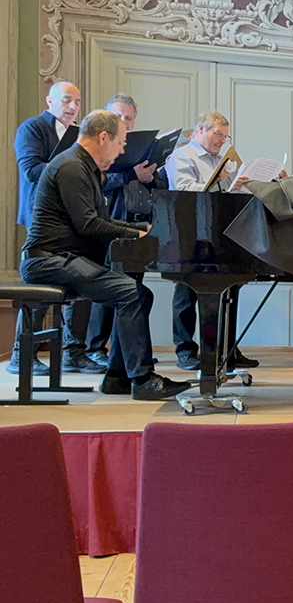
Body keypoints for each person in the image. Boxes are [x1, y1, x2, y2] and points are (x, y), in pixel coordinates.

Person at [18, 110, 190, 400]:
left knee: (139, 294)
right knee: (132, 293)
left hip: (64, 258)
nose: (122, 150)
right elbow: (88, 224)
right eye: (120, 143)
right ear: (103, 137)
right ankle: (143, 380)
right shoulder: (72, 167)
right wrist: (137, 233)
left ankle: (117, 377)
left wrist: (141, 228)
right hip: (48, 260)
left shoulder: (82, 166)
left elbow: (100, 221)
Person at [164, 111, 258, 371]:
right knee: (187, 292)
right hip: (189, 234)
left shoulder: (221, 161)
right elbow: (183, 191)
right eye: (218, 134)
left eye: (225, 137)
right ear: (200, 129)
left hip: (220, 233)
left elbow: (222, 196)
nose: (222, 141)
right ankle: (185, 350)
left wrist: (237, 185)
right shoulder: (182, 156)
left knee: (228, 290)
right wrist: (217, 180)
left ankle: (225, 349)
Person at [10, 81, 88, 377]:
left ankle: (73, 352)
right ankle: (22, 354)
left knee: (83, 277)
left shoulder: (78, 134)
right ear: (50, 101)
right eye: (67, 100)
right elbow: (31, 170)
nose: (73, 107)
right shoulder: (32, 128)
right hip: (41, 217)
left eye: (77, 102)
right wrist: (73, 166)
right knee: (40, 283)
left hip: (72, 217)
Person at [85, 93, 158, 368]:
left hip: (137, 225)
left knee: (133, 288)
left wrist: (149, 177)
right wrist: (131, 175)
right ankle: (95, 348)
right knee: (107, 288)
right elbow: (99, 184)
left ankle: (125, 351)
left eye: (129, 117)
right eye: (119, 116)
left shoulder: (139, 147)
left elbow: (157, 185)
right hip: (111, 223)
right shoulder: (100, 148)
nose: (125, 121)